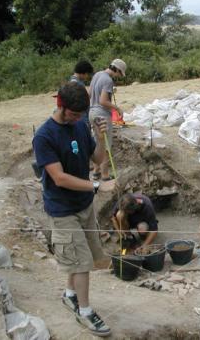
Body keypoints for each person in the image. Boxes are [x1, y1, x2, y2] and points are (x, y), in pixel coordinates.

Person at [32, 82, 111, 337]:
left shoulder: (79, 124)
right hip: (62, 208)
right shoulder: (44, 136)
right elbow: (60, 178)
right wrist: (98, 185)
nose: (77, 119)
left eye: (81, 115)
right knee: (81, 263)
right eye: (74, 114)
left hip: (84, 205)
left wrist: (100, 138)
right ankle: (85, 311)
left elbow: (98, 159)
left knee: (80, 256)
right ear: (60, 106)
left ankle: (69, 296)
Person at [88, 58, 127, 181]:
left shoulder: (97, 75)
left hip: (92, 112)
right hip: (102, 114)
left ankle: (96, 171)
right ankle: (105, 175)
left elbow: (89, 94)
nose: (119, 76)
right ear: (117, 70)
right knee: (105, 145)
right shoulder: (108, 80)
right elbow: (103, 101)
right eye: (120, 73)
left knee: (97, 143)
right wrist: (117, 108)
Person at [70, 60, 94, 127]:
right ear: (84, 72)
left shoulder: (78, 82)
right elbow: (79, 103)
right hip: (81, 118)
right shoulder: (75, 84)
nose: (87, 76)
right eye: (87, 74)